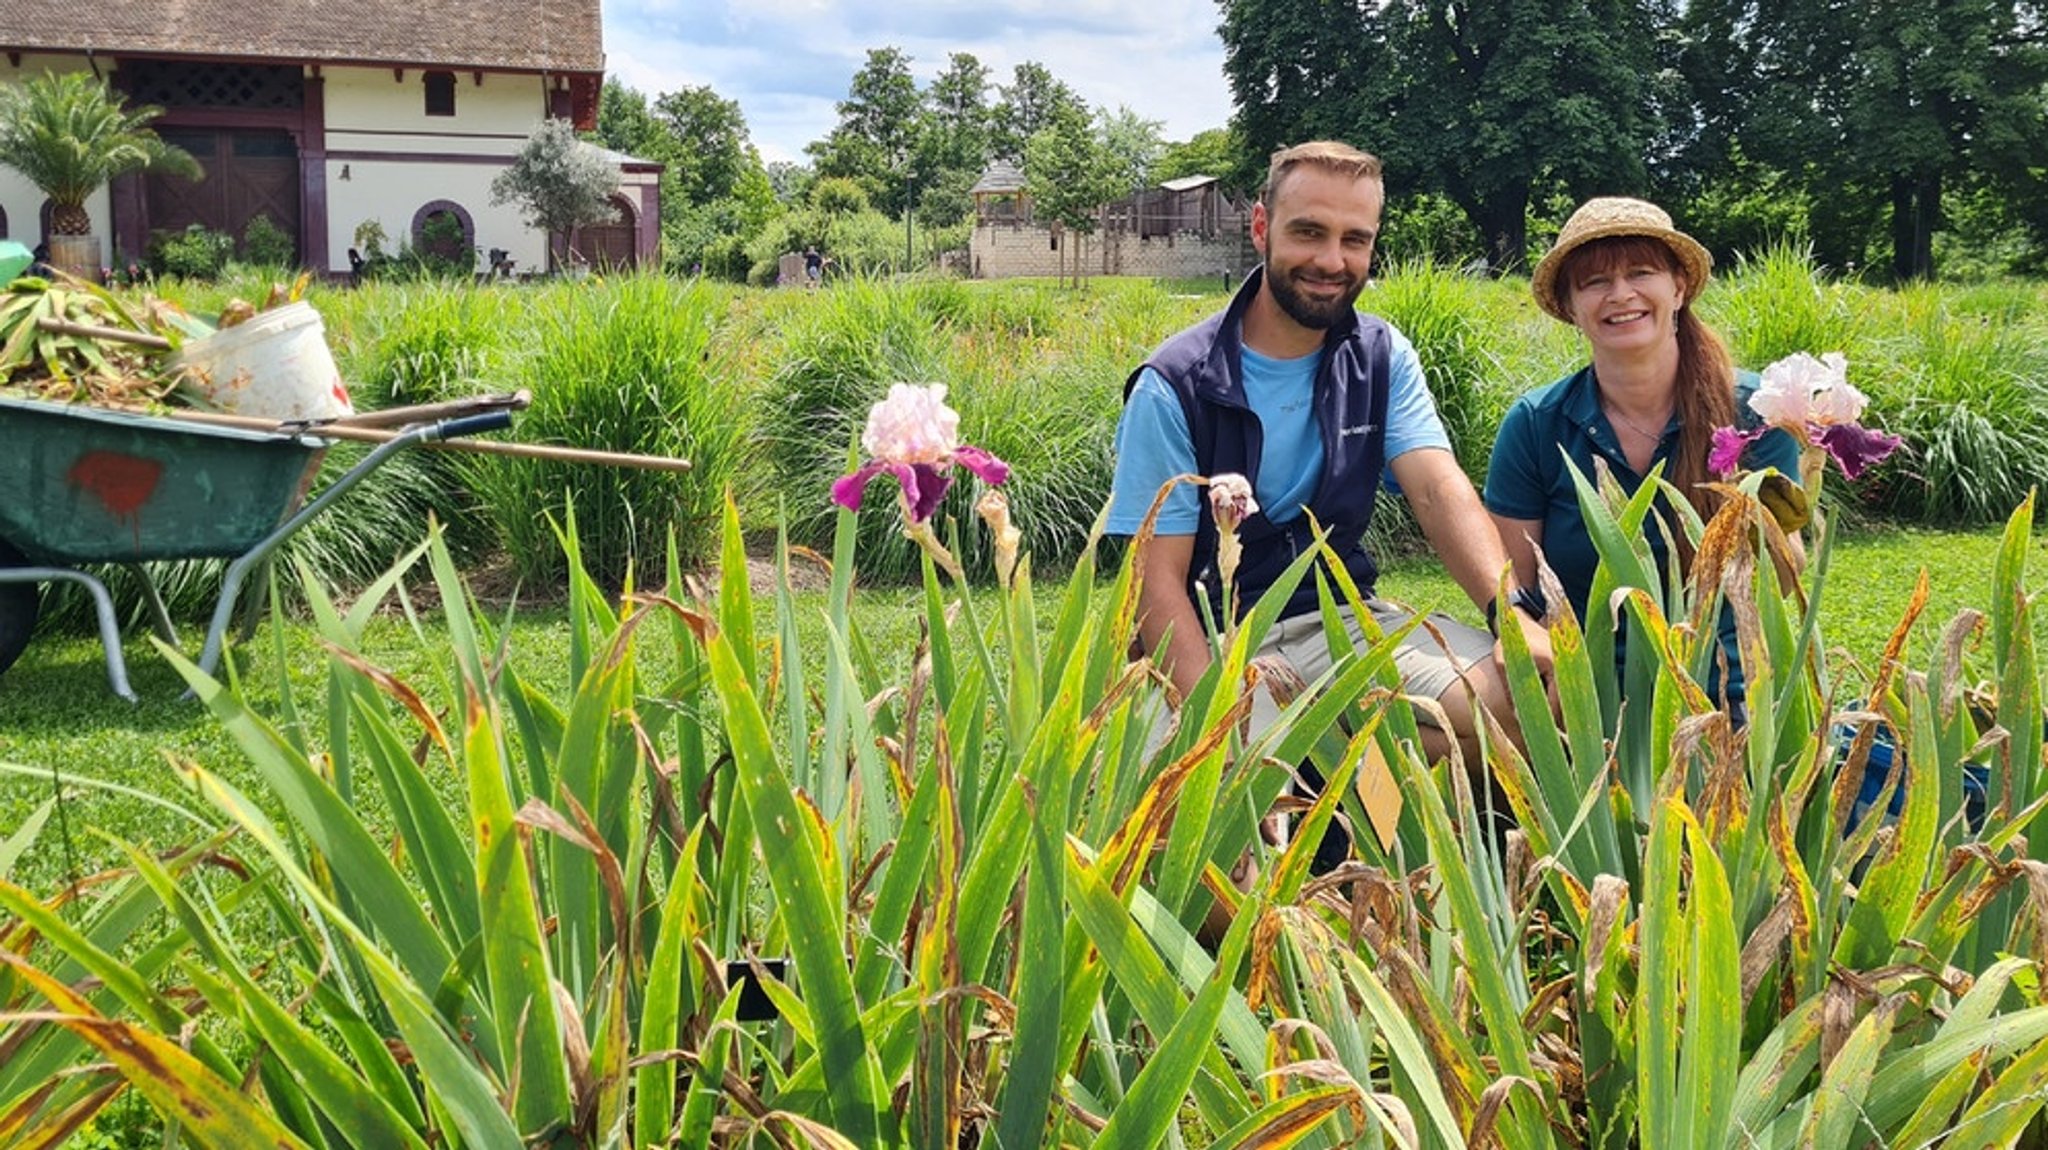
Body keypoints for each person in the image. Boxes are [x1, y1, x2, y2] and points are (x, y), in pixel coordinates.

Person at [1106, 140, 1551, 769]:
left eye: (1354, 239)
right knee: (1196, 796)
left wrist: (1508, 614)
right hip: (1216, 636)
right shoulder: (1175, 382)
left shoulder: (1380, 356)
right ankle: (1316, 773)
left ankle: (1322, 769)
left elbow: (1437, 490)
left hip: (1342, 619)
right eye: (1308, 232)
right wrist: (1211, 716)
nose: (1331, 260)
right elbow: (1156, 579)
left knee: (1532, 703)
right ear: (1261, 227)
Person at [1484, 196, 1804, 707]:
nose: (1621, 294)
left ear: (1678, 288)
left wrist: (1788, 541)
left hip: (1728, 689)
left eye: (1641, 272)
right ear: (1570, 306)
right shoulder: (1537, 423)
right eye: (1595, 282)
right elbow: (1517, 589)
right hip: (1586, 696)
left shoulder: (1757, 410)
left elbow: (1778, 584)